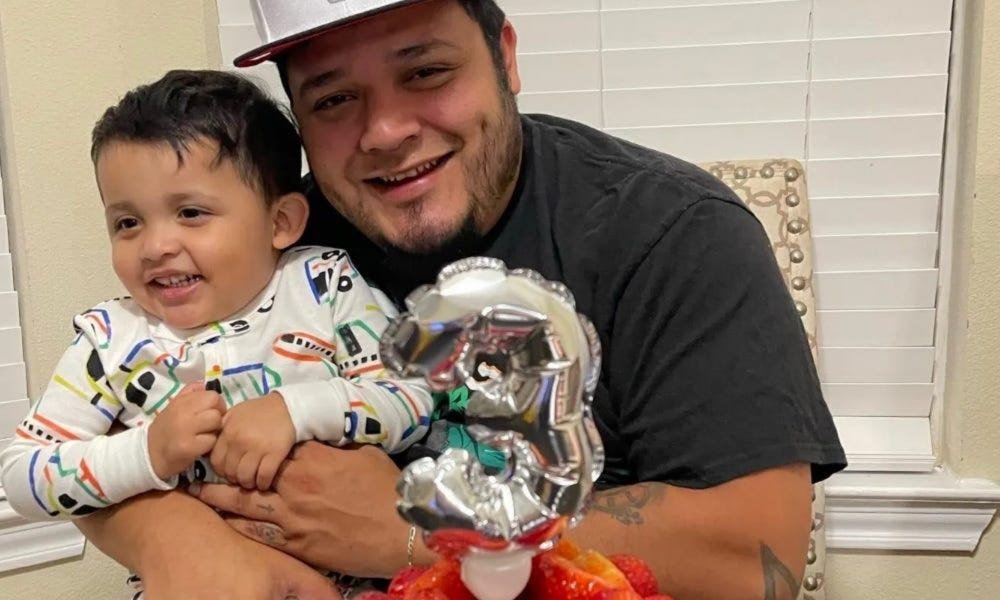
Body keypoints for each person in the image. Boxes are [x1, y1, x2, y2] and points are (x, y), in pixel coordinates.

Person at [76, 2, 847, 599]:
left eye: (426, 73)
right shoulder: (271, 247)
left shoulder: (671, 234)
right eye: (334, 98)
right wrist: (169, 536)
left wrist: (428, 527)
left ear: (505, 57)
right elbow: (88, 426)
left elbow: (759, 563)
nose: (383, 130)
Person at [0, 68, 434, 596]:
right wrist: (147, 453)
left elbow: (409, 399)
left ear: (281, 223)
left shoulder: (324, 285)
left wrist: (297, 410)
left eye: (190, 212)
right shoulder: (110, 337)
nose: (156, 245)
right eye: (127, 223)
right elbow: (25, 474)